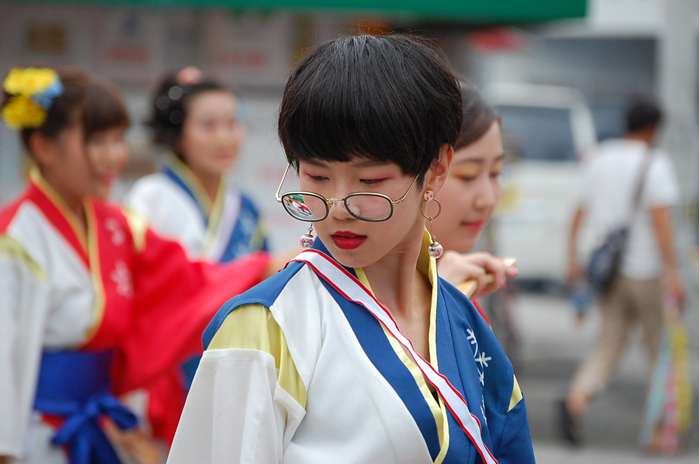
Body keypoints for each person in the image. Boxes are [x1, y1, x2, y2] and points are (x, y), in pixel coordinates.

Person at [167, 34, 535, 464]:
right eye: (318, 177)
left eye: (370, 181)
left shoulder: (464, 319)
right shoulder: (265, 326)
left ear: (436, 169)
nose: (339, 208)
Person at [0, 67, 271, 464]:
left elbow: (189, 279)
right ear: (43, 147)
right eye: (96, 141)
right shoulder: (15, 237)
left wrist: (263, 269)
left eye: (118, 140)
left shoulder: (114, 224)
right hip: (36, 434)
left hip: (104, 420)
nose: (114, 156)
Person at [562, 98, 684, 444]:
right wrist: (673, 272)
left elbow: (577, 214)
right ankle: (659, 432)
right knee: (658, 349)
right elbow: (662, 225)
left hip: (609, 273)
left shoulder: (599, 157)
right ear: (653, 128)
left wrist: (572, 260)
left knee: (610, 343)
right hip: (647, 272)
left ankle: (578, 396)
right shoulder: (655, 162)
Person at [124, 67, 267, 263]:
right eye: (208, 125)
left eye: (232, 123)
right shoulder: (150, 198)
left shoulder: (246, 208)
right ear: (178, 134)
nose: (224, 138)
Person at [435, 80, 518, 301]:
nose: (488, 199)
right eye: (468, 175)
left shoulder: (461, 284)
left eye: (496, 173)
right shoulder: (349, 296)